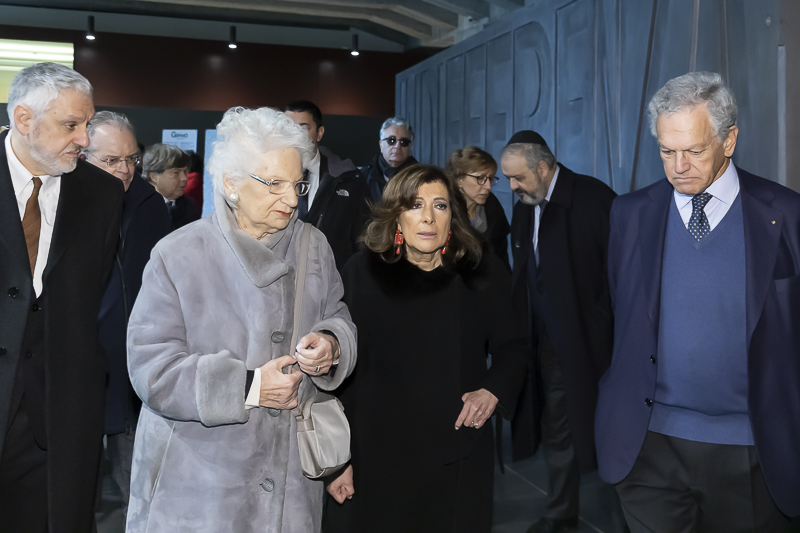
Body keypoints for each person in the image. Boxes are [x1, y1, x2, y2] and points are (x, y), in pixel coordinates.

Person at [126, 106, 357, 533]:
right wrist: (249, 386)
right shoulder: (178, 254)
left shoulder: (314, 246)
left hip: (291, 483)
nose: (292, 199)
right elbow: (150, 369)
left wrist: (332, 343)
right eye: (274, 184)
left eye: (298, 184)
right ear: (231, 183)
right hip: (200, 486)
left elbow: (337, 314)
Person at [595, 71, 800, 532]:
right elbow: (619, 313)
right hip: (647, 444)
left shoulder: (786, 214)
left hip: (752, 450)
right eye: (666, 151)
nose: (679, 166)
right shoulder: (630, 213)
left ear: (729, 140)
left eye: (694, 150)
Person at [323, 164, 527, 533]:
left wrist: (492, 391)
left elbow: (513, 346)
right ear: (396, 216)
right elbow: (341, 377)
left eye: (440, 205)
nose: (429, 217)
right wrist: (338, 460)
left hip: (458, 452)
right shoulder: (361, 272)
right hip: (376, 455)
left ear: (453, 216)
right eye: (416, 205)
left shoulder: (479, 270)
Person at [0, 62, 123, 532]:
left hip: (59, 416)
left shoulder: (102, 194)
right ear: (24, 119)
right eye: (71, 125)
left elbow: (96, 296)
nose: (84, 139)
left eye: (86, 124)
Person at [502, 131, 616, 533]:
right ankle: (561, 513)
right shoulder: (523, 207)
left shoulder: (594, 199)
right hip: (546, 343)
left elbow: (620, 274)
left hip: (595, 344)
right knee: (557, 427)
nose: (511, 187)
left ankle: (629, 518)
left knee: (612, 429)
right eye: (508, 178)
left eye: (518, 177)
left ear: (543, 167)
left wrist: (604, 328)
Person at [81, 110, 171, 514]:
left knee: (139, 484)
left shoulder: (150, 205)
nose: (125, 169)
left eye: (132, 158)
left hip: (134, 361)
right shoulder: (60, 203)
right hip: (79, 362)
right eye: (111, 160)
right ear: (82, 156)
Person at [285, 100, 370, 270]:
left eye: (303, 128)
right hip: (282, 276)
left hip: (333, 277)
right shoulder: (267, 178)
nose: (295, 135)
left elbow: (363, 238)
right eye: (288, 128)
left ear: (319, 133)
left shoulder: (349, 179)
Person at [445, 145, 510, 269]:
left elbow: (501, 259)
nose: (488, 186)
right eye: (480, 178)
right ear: (459, 179)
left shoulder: (493, 207)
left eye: (490, 179)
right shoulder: (443, 209)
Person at [142, 143, 200, 230]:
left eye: (185, 172)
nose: (184, 178)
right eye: (176, 173)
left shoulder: (191, 208)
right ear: (154, 177)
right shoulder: (135, 207)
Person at [361, 116, 418, 202]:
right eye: (391, 140)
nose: (397, 146)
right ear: (381, 145)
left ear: (410, 148)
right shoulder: (363, 177)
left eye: (404, 142)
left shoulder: (421, 177)